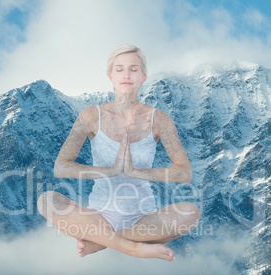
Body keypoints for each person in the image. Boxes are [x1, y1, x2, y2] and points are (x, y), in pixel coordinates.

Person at [37, 44, 200, 261]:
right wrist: (110, 170)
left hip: (142, 220)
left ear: (143, 76)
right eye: (120, 69)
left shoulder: (159, 119)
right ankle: (132, 248)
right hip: (96, 218)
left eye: (133, 69)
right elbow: (61, 167)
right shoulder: (90, 116)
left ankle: (102, 242)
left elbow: (184, 172)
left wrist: (137, 173)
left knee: (191, 213)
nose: (126, 74)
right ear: (110, 75)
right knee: (46, 201)